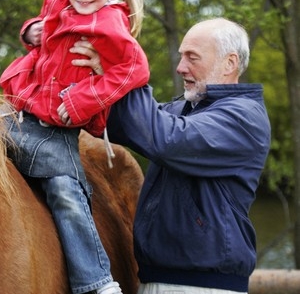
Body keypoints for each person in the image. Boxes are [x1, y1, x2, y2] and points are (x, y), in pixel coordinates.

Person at [70, 17, 271, 294]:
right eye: (181, 56)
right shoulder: (184, 111)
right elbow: (123, 123)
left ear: (229, 63)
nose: (180, 67)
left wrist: (124, 70)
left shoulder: (242, 117)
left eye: (192, 57)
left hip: (200, 286)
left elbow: (166, 139)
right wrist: (98, 79)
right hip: (156, 279)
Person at [0, 0, 150, 293]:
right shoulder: (58, 1)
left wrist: (84, 99)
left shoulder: (110, 22)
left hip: (56, 128)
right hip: (24, 106)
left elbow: (133, 70)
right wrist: (31, 30)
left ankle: (97, 281)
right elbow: (46, 33)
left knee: (65, 193)